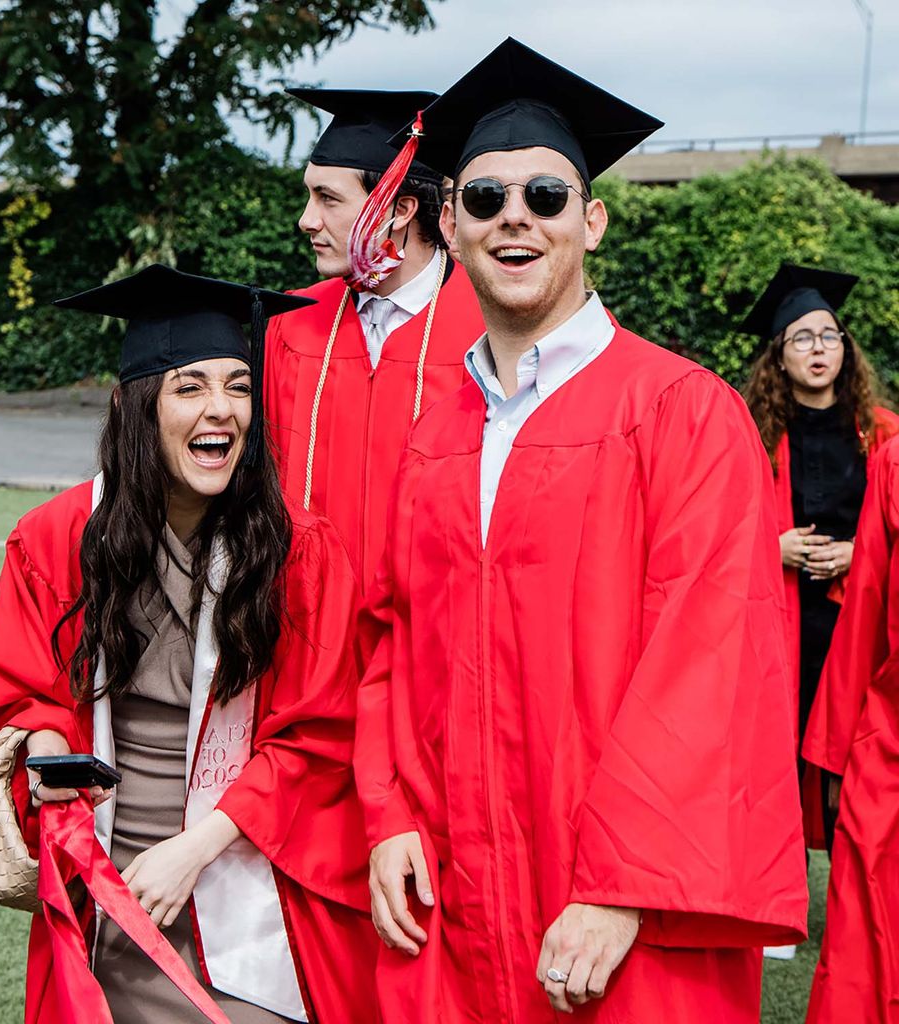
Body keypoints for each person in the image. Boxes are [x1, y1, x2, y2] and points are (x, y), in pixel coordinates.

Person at [354, 38, 808, 1024]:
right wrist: (386, 815)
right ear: (450, 223)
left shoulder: (681, 410)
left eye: (546, 197)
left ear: (591, 220)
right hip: (449, 896)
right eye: (483, 198)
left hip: (618, 909)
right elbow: (390, 638)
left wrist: (623, 885)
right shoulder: (434, 431)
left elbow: (715, 662)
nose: (514, 216)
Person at [0, 264, 378, 1024]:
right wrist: (48, 753)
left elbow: (319, 736)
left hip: (251, 873)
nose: (222, 409)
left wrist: (196, 849)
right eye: (190, 387)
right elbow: (17, 694)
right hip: (111, 873)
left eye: (239, 386)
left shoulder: (300, 552)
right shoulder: (55, 540)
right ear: (132, 406)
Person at [264, 89, 484, 591]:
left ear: (400, 209)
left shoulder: (490, 331)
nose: (306, 220)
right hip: (303, 628)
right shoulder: (291, 322)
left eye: (328, 199)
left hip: (430, 628)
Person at [741, 263, 898, 863]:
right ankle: (780, 880)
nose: (818, 349)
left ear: (845, 349)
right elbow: (721, 527)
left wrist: (860, 556)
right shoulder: (755, 433)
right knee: (777, 749)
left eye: (829, 335)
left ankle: (859, 876)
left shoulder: (883, 434)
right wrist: (771, 548)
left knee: (853, 753)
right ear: (779, 357)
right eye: (801, 338)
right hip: (782, 619)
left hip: (858, 622)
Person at [802, 434, 899, 1023]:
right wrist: (837, 754)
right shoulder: (894, 461)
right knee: (865, 949)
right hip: (888, 745)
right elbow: (864, 603)